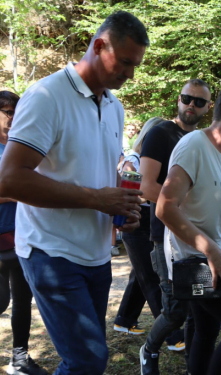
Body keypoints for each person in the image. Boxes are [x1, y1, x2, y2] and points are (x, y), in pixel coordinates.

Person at [0, 11, 146, 374]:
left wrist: (122, 207)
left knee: (85, 361)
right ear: (99, 46)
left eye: (136, 65)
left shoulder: (114, 106)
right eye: (126, 62)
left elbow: (100, 171)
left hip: (96, 254)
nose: (130, 74)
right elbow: (9, 179)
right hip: (51, 252)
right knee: (88, 361)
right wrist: (96, 199)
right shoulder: (47, 95)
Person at [155, 83, 221, 375]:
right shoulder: (193, 146)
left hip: (212, 260)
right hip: (193, 262)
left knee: (206, 330)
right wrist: (212, 250)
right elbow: (165, 208)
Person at [139, 79, 212, 374]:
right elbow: (146, 186)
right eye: (187, 98)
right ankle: (149, 350)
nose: (191, 105)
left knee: (200, 304)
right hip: (167, 236)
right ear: (178, 100)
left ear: (209, 108)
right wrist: (185, 211)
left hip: (201, 236)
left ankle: (194, 363)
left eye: (199, 102)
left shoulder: (204, 140)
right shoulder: (160, 133)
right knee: (175, 310)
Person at [0, 91, 48, 375]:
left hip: (22, 238)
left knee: (22, 300)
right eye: (7, 112)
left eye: (16, 112)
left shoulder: (22, 148)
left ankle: (19, 357)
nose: (13, 118)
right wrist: (20, 190)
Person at [113, 117, 164, 337]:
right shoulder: (133, 160)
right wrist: (151, 194)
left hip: (146, 221)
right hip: (134, 223)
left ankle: (124, 320)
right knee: (150, 275)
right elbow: (128, 195)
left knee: (139, 274)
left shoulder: (150, 161)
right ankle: (170, 333)